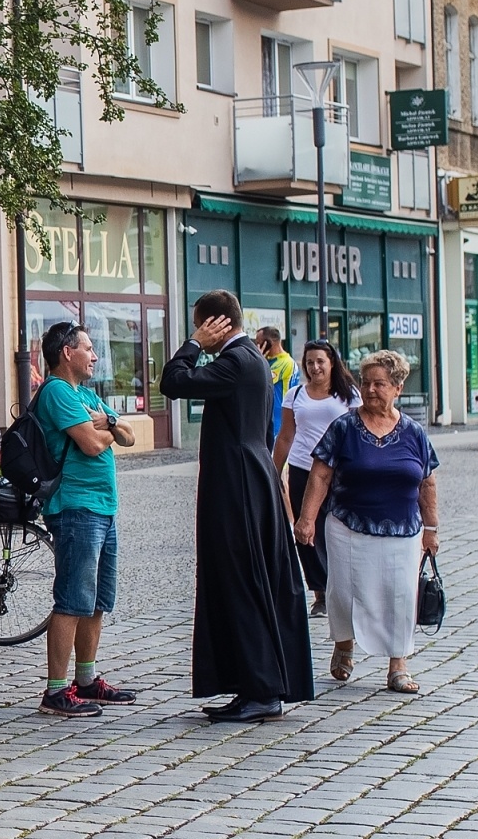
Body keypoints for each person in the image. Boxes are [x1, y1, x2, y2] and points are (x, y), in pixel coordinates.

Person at [159, 291, 312, 723]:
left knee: (242, 581)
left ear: (217, 323)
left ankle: (261, 689)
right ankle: (253, 684)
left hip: (238, 483)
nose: (198, 333)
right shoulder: (251, 360)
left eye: (200, 324)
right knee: (242, 580)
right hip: (249, 476)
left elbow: (173, 382)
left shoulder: (237, 360)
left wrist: (192, 345)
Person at [293, 350, 439, 693]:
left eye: (380, 384)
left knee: (401, 595)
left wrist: (431, 530)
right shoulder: (343, 426)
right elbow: (320, 475)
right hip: (347, 526)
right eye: (366, 383)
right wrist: (306, 519)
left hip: (402, 531)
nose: (371, 390)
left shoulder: (414, 433)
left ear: (398, 388)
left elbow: (427, 481)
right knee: (343, 593)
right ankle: (344, 643)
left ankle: (398, 665)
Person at [31, 322, 138, 718]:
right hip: (75, 506)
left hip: (103, 507)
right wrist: (105, 427)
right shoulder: (58, 392)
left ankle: (87, 681)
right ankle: (56, 691)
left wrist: (106, 423)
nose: (95, 356)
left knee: (96, 601)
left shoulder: (86, 394)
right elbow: (93, 446)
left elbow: (129, 436)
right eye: (89, 349)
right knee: (73, 600)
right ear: (67, 353)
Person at [272, 339, 361, 618]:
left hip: (338, 471)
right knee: (305, 531)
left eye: (320, 361)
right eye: (310, 362)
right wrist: (274, 472)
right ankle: (320, 593)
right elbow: (286, 436)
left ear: (331, 362)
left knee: (336, 528)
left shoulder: (348, 395)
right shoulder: (296, 395)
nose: (315, 367)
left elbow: (358, 434)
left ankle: (343, 587)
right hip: (302, 468)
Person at [256, 326, 298, 449]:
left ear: (269, 343)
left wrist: (257, 359)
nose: (257, 347)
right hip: (266, 417)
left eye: (259, 343)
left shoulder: (285, 363)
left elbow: (259, 379)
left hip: (278, 419)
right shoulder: (267, 360)